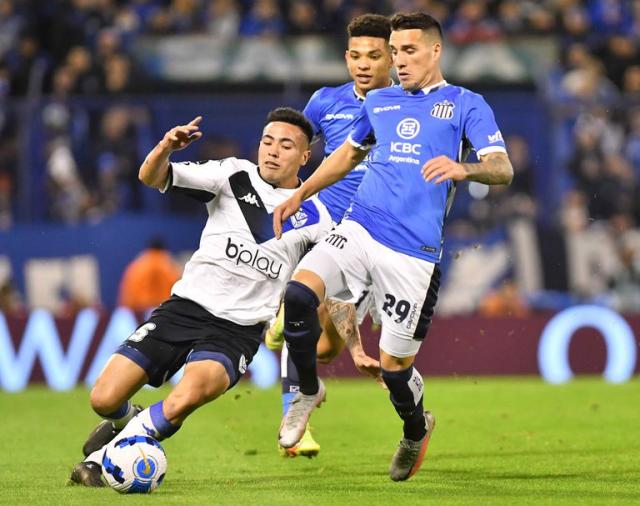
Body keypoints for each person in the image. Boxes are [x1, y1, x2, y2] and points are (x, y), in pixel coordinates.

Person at [272, 12, 513, 481]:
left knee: (395, 368)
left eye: (409, 51)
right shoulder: (380, 102)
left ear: (435, 51)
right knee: (299, 295)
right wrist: (301, 192)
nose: (399, 61)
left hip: (414, 255)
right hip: (360, 228)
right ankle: (304, 391)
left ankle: (415, 429)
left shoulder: (466, 104)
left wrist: (466, 169)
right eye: (396, 52)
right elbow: (346, 155)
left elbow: (502, 167)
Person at [69, 107, 334, 487]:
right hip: (184, 310)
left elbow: (323, 284)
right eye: (267, 141)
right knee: (103, 398)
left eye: (286, 145)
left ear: (305, 157)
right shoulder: (230, 174)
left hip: (236, 331)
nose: (273, 151)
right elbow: (151, 176)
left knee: (185, 396)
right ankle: (126, 420)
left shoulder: (318, 217)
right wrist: (165, 148)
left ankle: (101, 463)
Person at [265, 12, 393, 458]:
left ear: (392, 58)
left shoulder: (406, 105)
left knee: (323, 347)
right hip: (325, 223)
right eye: (355, 56)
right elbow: (293, 146)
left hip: (372, 232)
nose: (362, 64)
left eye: (373, 56)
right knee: (304, 301)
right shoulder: (325, 101)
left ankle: (286, 321)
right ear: (345, 57)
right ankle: (296, 421)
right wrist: (284, 189)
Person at [117, 236, 181, 311]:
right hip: (165, 309)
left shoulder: (139, 264)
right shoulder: (170, 265)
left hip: (140, 310)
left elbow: (128, 292)